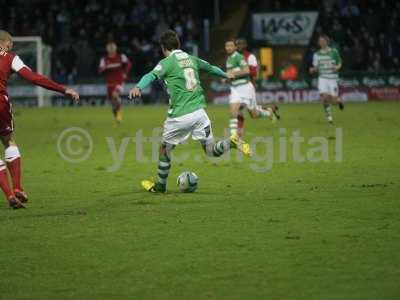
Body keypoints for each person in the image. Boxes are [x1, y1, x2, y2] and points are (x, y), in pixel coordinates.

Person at [129, 30, 251, 193]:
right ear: (178, 44)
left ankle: (160, 187)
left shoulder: (167, 62)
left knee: (164, 149)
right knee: (212, 151)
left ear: (164, 47)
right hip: (200, 114)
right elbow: (210, 67)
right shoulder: (191, 59)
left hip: (179, 116)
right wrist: (226, 75)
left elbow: (150, 75)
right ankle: (232, 141)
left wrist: (138, 87)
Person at [0, 30, 79, 209]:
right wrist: (63, 89)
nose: (10, 47)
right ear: (4, 43)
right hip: (0, 103)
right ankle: (18, 188)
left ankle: (9, 195)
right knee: (9, 141)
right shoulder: (10, 58)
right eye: (10, 45)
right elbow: (34, 78)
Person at [225, 39, 278, 137]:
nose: (228, 48)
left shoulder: (244, 57)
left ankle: (269, 112)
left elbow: (249, 71)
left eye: (230, 46)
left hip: (246, 87)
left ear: (235, 47)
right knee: (234, 110)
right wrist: (226, 78)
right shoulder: (229, 59)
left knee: (254, 114)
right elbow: (231, 75)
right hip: (235, 88)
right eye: (226, 46)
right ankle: (234, 136)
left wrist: (233, 74)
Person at [310, 35, 344, 123]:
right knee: (324, 98)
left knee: (334, 101)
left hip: (333, 79)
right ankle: (329, 116)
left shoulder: (334, 52)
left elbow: (339, 62)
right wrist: (313, 69)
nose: (321, 42)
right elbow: (316, 67)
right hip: (322, 78)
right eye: (319, 41)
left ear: (327, 42)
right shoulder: (316, 54)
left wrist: (337, 67)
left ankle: (339, 101)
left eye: (322, 41)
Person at [98, 42, 132, 124]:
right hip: (109, 83)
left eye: (113, 47)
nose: (111, 49)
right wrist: (104, 68)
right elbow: (100, 71)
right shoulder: (104, 60)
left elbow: (129, 64)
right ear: (107, 49)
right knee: (113, 103)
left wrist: (125, 73)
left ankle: (119, 114)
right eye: (110, 48)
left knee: (114, 95)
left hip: (119, 82)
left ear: (115, 48)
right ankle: (117, 116)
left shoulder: (121, 57)